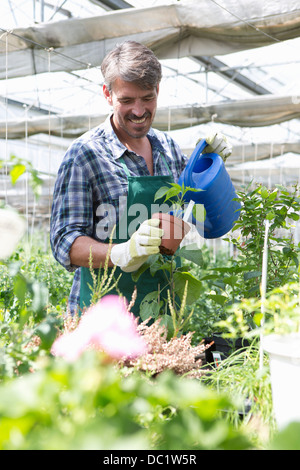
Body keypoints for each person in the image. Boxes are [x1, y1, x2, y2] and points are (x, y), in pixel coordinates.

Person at [50, 40, 231, 317]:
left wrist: (210, 169)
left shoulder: (168, 148)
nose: (138, 110)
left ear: (157, 90)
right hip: (100, 316)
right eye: (126, 100)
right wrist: (121, 253)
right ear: (108, 95)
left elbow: (200, 216)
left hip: (161, 312)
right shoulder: (86, 155)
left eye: (147, 97)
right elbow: (65, 241)